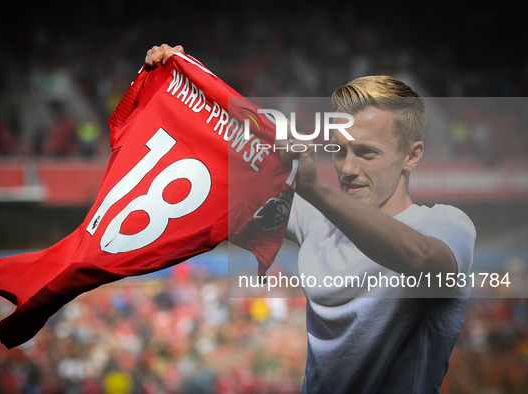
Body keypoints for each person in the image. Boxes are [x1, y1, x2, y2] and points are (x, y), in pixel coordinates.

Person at [144, 44, 476, 394]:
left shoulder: (446, 224)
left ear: (412, 155)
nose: (348, 169)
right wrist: (180, 83)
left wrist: (314, 187)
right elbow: (219, 177)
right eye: (339, 150)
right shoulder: (320, 219)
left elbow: (423, 259)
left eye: (366, 153)